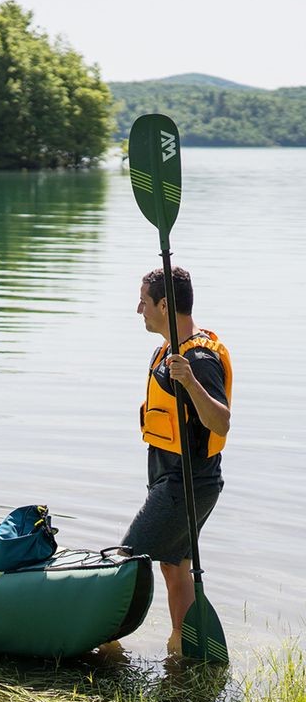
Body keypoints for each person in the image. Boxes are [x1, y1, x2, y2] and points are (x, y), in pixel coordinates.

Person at [122, 267, 232, 655]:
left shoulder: (198, 359)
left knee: (125, 563)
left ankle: (102, 648)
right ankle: (181, 648)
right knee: (174, 564)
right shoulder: (168, 350)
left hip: (184, 485)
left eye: (144, 300)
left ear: (165, 304)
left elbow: (221, 420)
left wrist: (190, 382)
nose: (139, 309)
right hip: (176, 481)